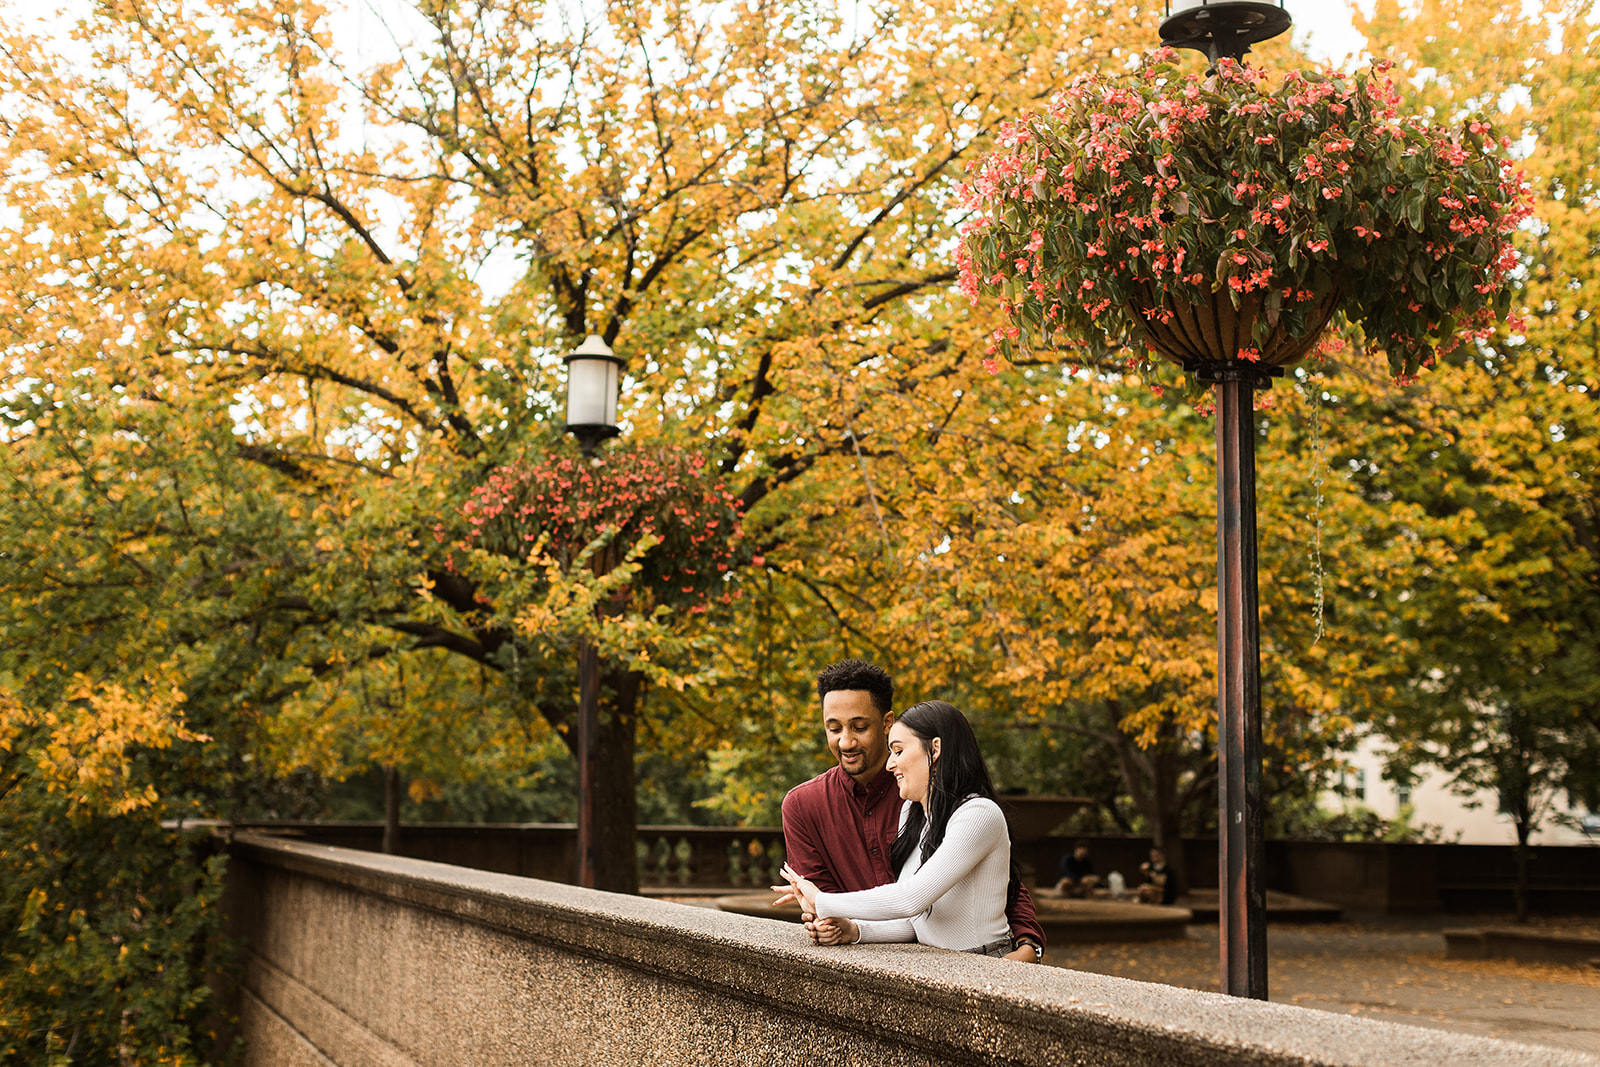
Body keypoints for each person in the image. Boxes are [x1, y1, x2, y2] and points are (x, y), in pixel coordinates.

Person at [780, 659, 1045, 962]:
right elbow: (917, 917)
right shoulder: (914, 811)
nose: (846, 741)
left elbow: (921, 897)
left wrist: (1029, 945)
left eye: (860, 727)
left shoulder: (975, 813)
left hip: (981, 963)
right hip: (913, 963)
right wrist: (852, 930)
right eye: (834, 728)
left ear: (887, 723)